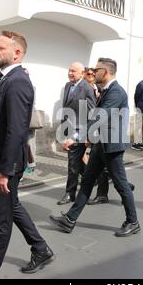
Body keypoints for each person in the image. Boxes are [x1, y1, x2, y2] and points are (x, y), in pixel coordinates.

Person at [0, 31, 54, 278]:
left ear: (17, 53)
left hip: (6, 164)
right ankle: (41, 249)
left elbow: (17, 131)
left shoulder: (17, 81)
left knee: (2, 220)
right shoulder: (7, 78)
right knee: (12, 206)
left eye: (0, 47)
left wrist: (5, 173)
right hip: (2, 160)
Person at [49, 58, 140, 237]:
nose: (92, 72)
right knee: (88, 181)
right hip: (100, 144)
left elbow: (100, 117)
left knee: (121, 185)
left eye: (96, 70)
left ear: (105, 71)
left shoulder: (117, 92)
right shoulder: (106, 90)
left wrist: (76, 137)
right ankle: (69, 219)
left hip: (112, 146)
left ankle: (133, 221)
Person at [57, 62, 96, 205]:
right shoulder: (68, 86)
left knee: (73, 163)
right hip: (69, 129)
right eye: (69, 70)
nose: (70, 73)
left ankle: (70, 193)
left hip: (80, 133)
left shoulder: (87, 88)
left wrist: (81, 136)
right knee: (78, 163)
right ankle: (98, 178)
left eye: (73, 71)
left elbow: (91, 114)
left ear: (82, 73)